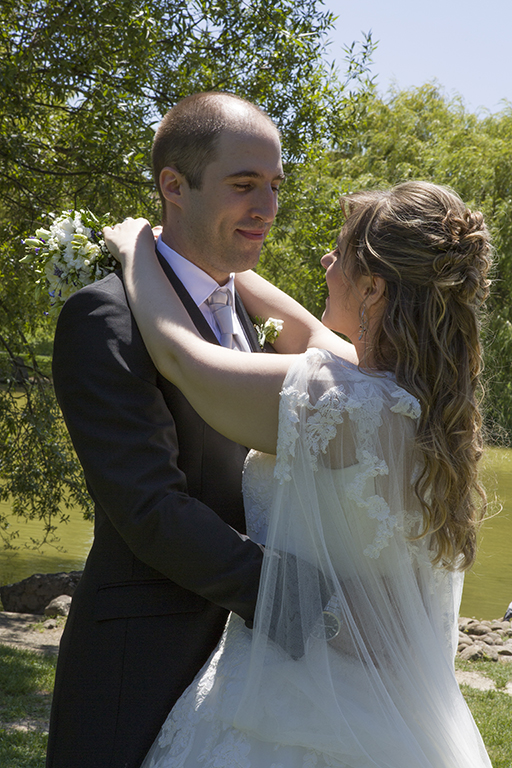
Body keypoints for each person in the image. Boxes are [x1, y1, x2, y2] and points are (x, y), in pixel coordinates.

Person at [104, 180, 493, 768]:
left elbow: (184, 358)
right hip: (381, 706)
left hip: (300, 705)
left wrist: (136, 251)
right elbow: (305, 328)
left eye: (341, 253)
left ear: (373, 288)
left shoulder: (339, 403)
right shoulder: (413, 399)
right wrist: (196, 258)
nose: (326, 261)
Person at [48, 92, 339, 768]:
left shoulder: (249, 311)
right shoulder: (107, 318)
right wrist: (294, 598)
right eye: (244, 185)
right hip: (145, 660)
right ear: (173, 187)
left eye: (274, 185)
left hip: (251, 669)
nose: (267, 207)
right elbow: (149, 507)